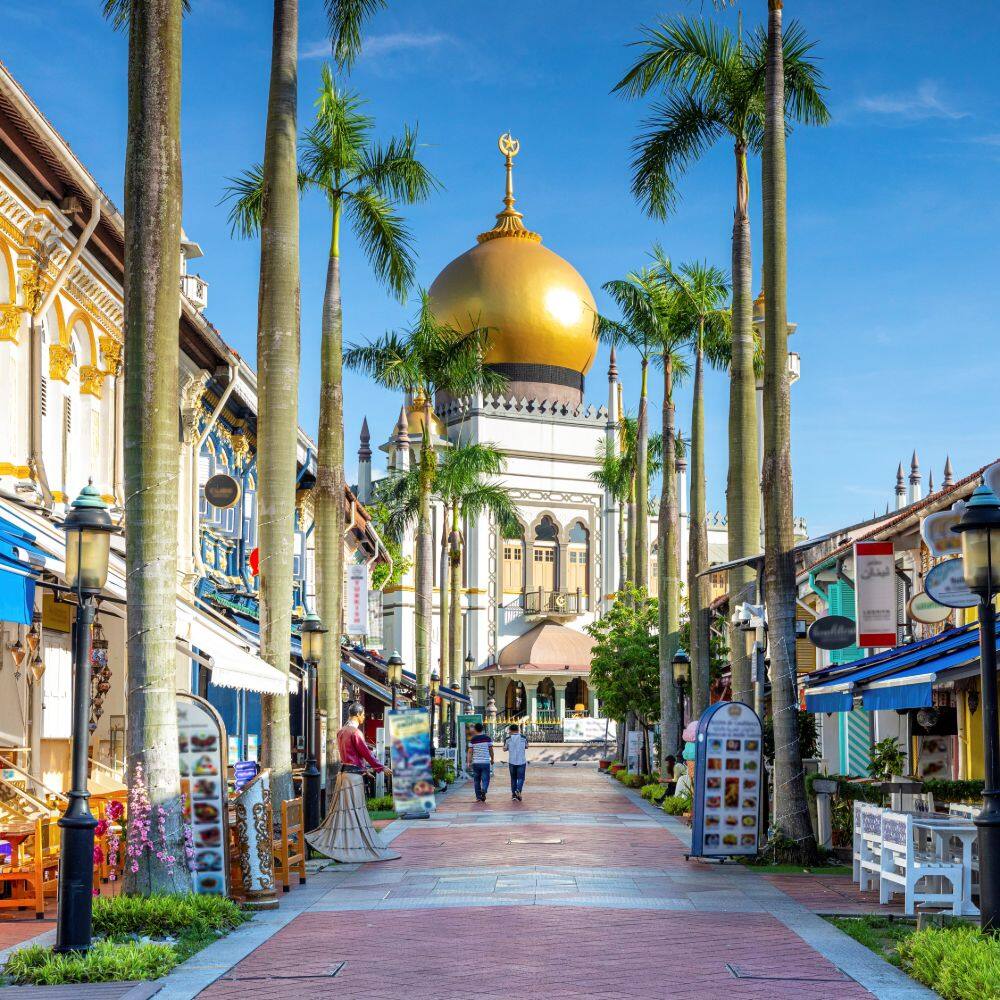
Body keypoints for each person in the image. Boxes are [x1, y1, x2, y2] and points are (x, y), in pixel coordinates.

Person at [305, 702, 400, 863]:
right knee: (354, 812)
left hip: (344, 776)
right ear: (358, 714)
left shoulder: (341, 732)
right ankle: (352, 847)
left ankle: (342, 846)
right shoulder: (355, 733)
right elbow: (365, 753)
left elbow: (352, 756)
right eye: (363, 714)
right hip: (353, 779)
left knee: (344, 813)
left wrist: (365, 770)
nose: (364, 717)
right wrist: (380, 767)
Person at [467, 722, 494, 801]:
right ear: (482, 729)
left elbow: (469, 752)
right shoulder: (487, 738)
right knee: (486, 779)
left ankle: (478, 797)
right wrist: (492, 759)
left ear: (475, 729)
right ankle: (484, 790)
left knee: (476, 780)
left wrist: (468, 762)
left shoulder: (473, 739)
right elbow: (491, 750)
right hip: (485, 762)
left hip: (476, 762)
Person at [504, 724, 528, 801]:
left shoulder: (508, 738)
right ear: (518, 729)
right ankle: (518, 790)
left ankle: (514, 795)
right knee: (521, 778)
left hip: (512, 761)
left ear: (510, 730)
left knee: (513, 778)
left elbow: (504, 749)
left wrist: (508, 747)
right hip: (521, 761)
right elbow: (526, 746)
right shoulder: (523, 737)